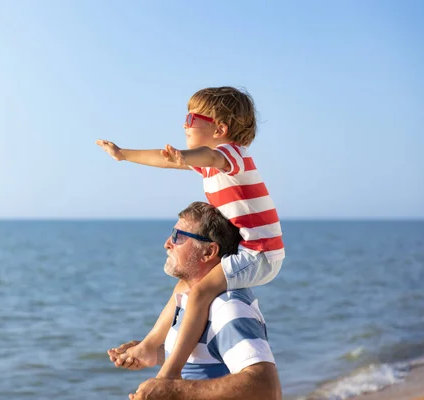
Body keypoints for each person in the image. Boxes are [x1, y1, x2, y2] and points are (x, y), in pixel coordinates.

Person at [97, 86, 285, 379]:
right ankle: (149, 346)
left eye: (193, 118)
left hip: (260, 254)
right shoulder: (212, 166)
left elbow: (208, 156)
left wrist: (185, 155)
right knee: (182, 289)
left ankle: (169, 375)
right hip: (251, 251)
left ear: (220, 129)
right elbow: (168, 159)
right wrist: (123, 154)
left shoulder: (232, 156)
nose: (185, 124)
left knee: (198, 295)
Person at [107, 202, 281, 400]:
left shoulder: (228, 308)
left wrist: (174, 391)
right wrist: (154, 352)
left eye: (178, 237)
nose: (167, 243)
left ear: (208, 252)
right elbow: (211, 354)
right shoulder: (189, 301)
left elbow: (267, 388)